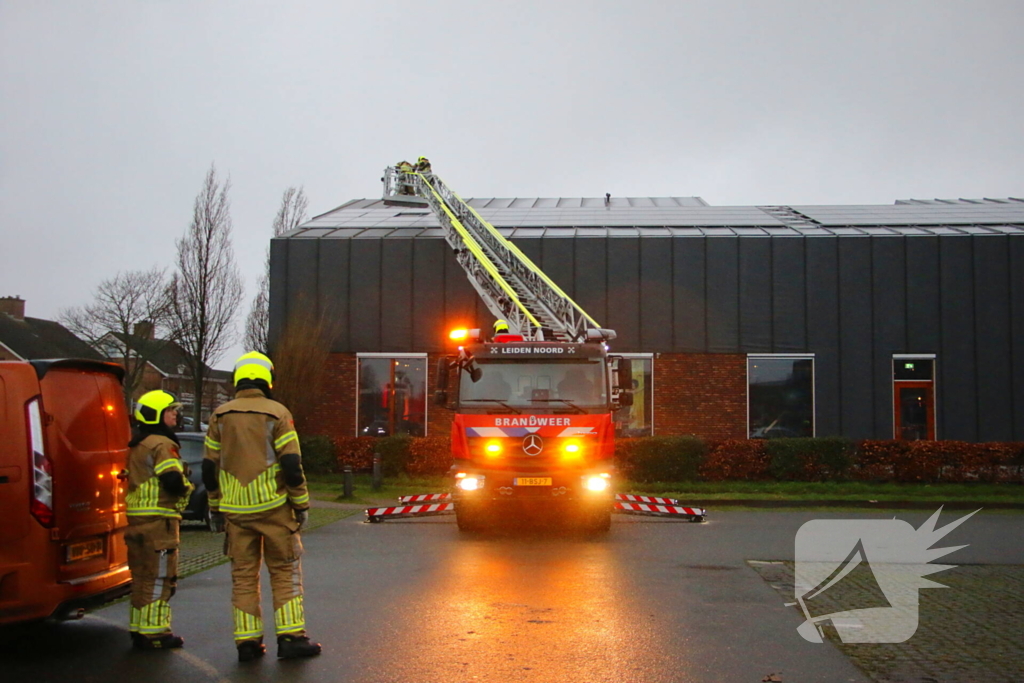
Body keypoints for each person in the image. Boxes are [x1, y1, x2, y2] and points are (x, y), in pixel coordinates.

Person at [203, 352, 322, 662]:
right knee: (284, 572)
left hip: (236, 513)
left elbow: (208, 469)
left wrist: (216, 509)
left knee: (243, 576)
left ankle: (247, 643)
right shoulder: (278, 413)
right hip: (274, 509)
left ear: (237, 379)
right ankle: (291, 639)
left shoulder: (219, 415)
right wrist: (301, 503)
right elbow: (292, 465)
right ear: (268, 379)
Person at [124, 390, 193, 650]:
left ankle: (139, 628)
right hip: (159, 521)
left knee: (141, 577)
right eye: (170, 410)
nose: (175, 414)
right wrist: (187, 487)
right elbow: (172, 479)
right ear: (156, 415)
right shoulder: (162, 444)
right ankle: (155, 634)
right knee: (161, 578)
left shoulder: (137, 444)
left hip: (137, 520)